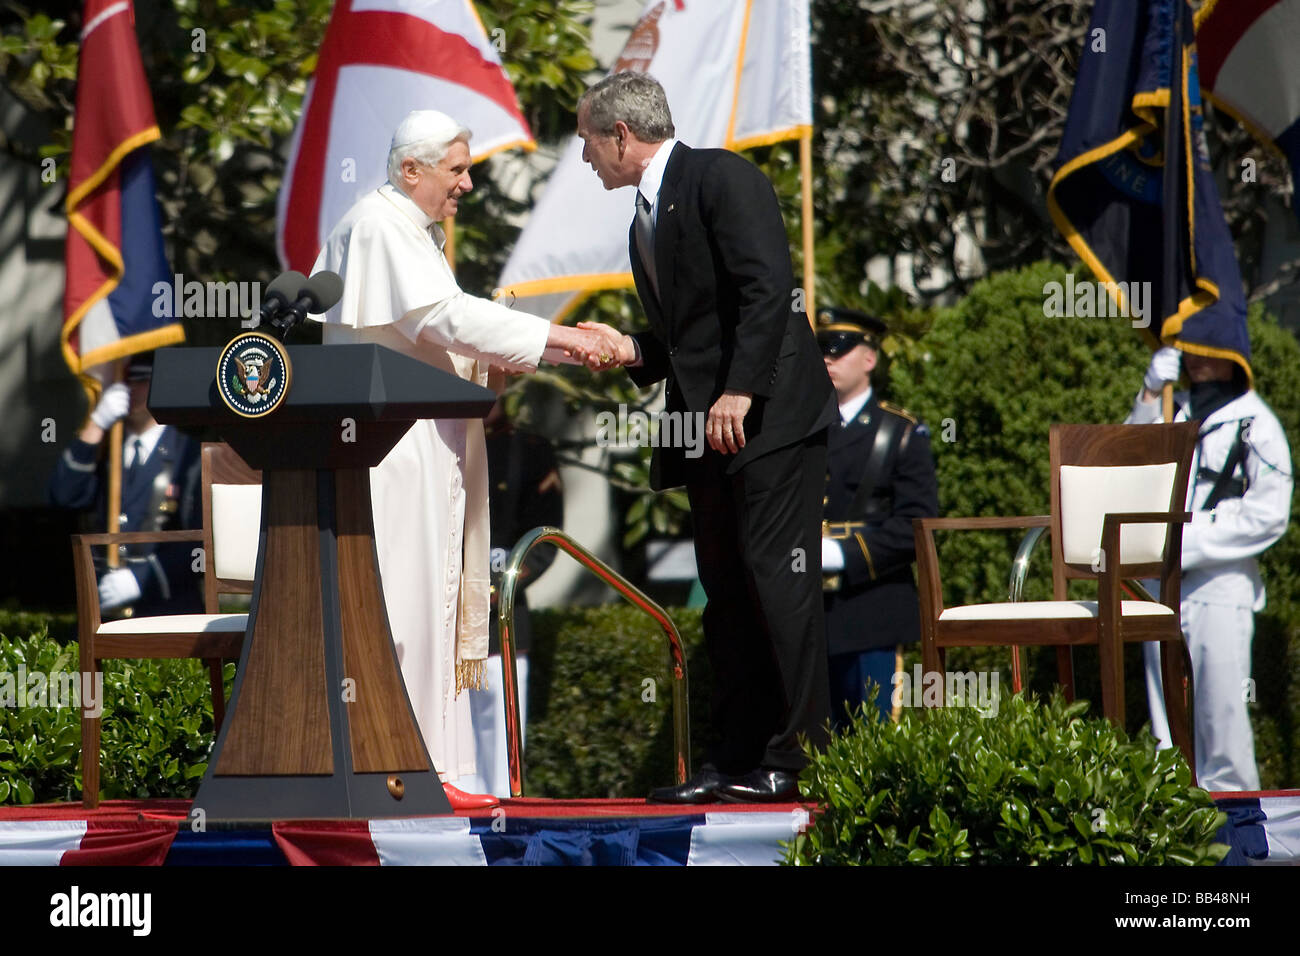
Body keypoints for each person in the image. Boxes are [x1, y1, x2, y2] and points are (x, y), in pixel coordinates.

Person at [310, 109, 619, 810]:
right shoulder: (378, 224)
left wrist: (510, 360)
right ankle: (399, 771)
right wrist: (565, 337)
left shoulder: (409, 230)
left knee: (434, 613)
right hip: (395, 456)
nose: (468, 184)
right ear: (410, 169)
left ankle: (430, 770)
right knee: (405, 614)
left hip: (430, 446)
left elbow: (434, 334)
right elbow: (445, 319)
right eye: (457, 170)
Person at [574, 72, 839, 803]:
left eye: (587, 141)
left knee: (777, 585)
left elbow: (769, 288)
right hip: (705, 433)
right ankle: (738, 760)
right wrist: (630, 349)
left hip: (771, 423)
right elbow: (689, 336)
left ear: (620, 136)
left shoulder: (721, 176)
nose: (584, 157)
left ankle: (799, 762)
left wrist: (742, 389)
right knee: (726, 594)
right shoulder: (643, 215)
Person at [1130, 346, 1292, 792]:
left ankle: (1237, 844)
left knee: (1222, 726)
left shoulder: (1256, 424)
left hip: (1220, 588)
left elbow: (1270, 513)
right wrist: (1146, 397)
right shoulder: (1172, 409)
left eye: (1207, 347)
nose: (1195, 358)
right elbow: (1124, 465)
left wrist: (1186, 540)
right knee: (1167, 726)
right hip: (1160, 587)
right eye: (1188, 349)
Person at [816, 307, 938, 728]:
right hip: (812, 614)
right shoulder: (803, 432)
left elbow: (916, 526)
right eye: (822, 350)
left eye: (840, 350)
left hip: (872, 608)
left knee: (875, 739)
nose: (828, 359)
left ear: (869, 359)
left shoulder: (901, 432)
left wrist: (837, 553)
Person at [458, 396, 564, 798]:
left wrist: (498, 589)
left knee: (501, 733)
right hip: (447, 612)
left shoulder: (530, 450)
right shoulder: (438, 447)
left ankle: (500, 816)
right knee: (451, 732)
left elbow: (544, 537)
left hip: (502, 613)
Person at [49, 354, 202, 618]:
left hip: (167, 613)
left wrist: (142, 578)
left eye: (140, 380)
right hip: (103, 614)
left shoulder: (188, 454)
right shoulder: (103, 449)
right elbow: (63, 496)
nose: (130, 389)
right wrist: (95, 424)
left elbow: (202, 542)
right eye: (122, 382)